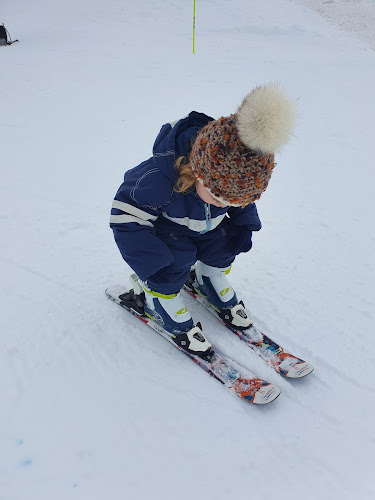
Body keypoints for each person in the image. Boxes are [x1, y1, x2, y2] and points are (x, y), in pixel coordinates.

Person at [110, 83, 296, 360]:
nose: (223, 205)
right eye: (217, 196)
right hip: (167, 236)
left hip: (207, 228)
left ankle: (209, 277)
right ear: (197, 170)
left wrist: (243, 224)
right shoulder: (157, 179)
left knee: (224, 244)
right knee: (175, 261)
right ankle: (159, 299)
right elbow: (125, 218)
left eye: (233, 202)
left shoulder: (234, 179)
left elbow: (239, 202)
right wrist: (151, 263)